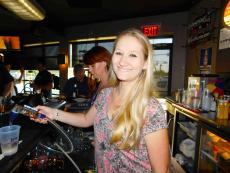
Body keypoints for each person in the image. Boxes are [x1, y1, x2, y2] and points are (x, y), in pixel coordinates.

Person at [35, 28, 170, 172]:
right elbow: (86, 119)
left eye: (133, 55)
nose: (123, 61)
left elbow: (161, 170)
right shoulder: (105, 94)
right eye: (119, 53)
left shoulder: (151, 109)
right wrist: (52, 113)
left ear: (145, 63)